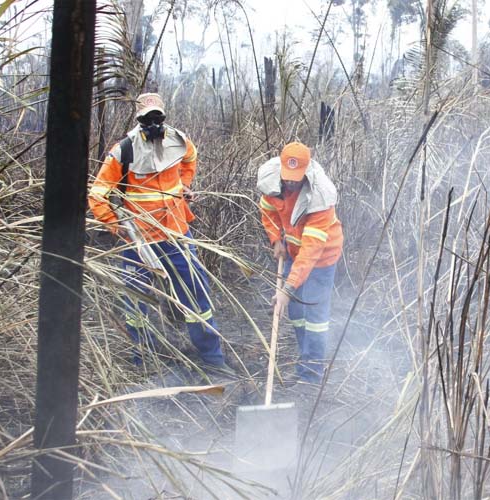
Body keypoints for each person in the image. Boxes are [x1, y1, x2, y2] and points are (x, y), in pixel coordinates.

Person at [88, 93, 227, 371]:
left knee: (196, 295)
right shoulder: (124, 150)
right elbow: (97, 194)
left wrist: (184, 185)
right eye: (146, 118)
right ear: (138, 119)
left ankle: (212, 359)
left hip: (176, 235)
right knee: (136, 301)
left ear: (163, 116)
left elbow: (190, 159)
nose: (153, 124)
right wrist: (117, 227)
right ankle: (144, 359)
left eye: (157, 117)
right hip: (138, 242)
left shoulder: (179, 141)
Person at [257, 142, 344, 384]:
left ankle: (312, 373)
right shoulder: (273, 181)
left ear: (306, 171)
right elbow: (268, 211)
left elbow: (310, 252)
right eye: (287, 177)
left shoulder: (320, 196)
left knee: (315, 315)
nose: (290, 182)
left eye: (296, 178)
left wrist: (286, 289)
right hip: (294, 252)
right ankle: (305, 356)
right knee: (295, 312)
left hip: (321, 257)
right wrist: (276, 240)